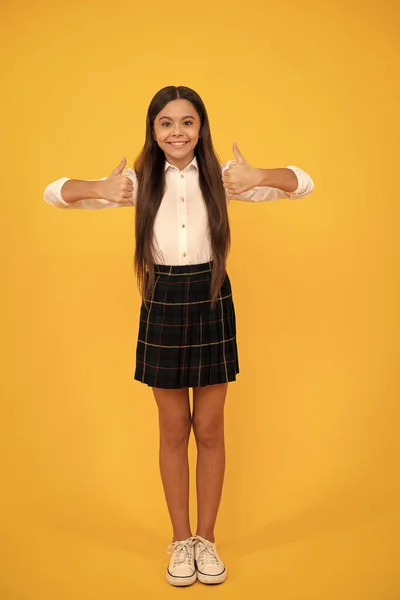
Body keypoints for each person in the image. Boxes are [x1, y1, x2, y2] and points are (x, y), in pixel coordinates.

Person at [44, 85, 314, 587]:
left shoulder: (224, 177)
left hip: (211, 298)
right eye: (166, 122)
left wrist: (259, 177)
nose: (177, 132)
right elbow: (54, 192)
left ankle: (207, 541)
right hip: (163, 299)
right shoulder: (136, 181)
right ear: (153, 129)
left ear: (200, 127)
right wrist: (100, 189)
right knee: (173, 429)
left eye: (187, 122)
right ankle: (181, 541)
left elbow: (303, 183)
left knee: (210, 428)